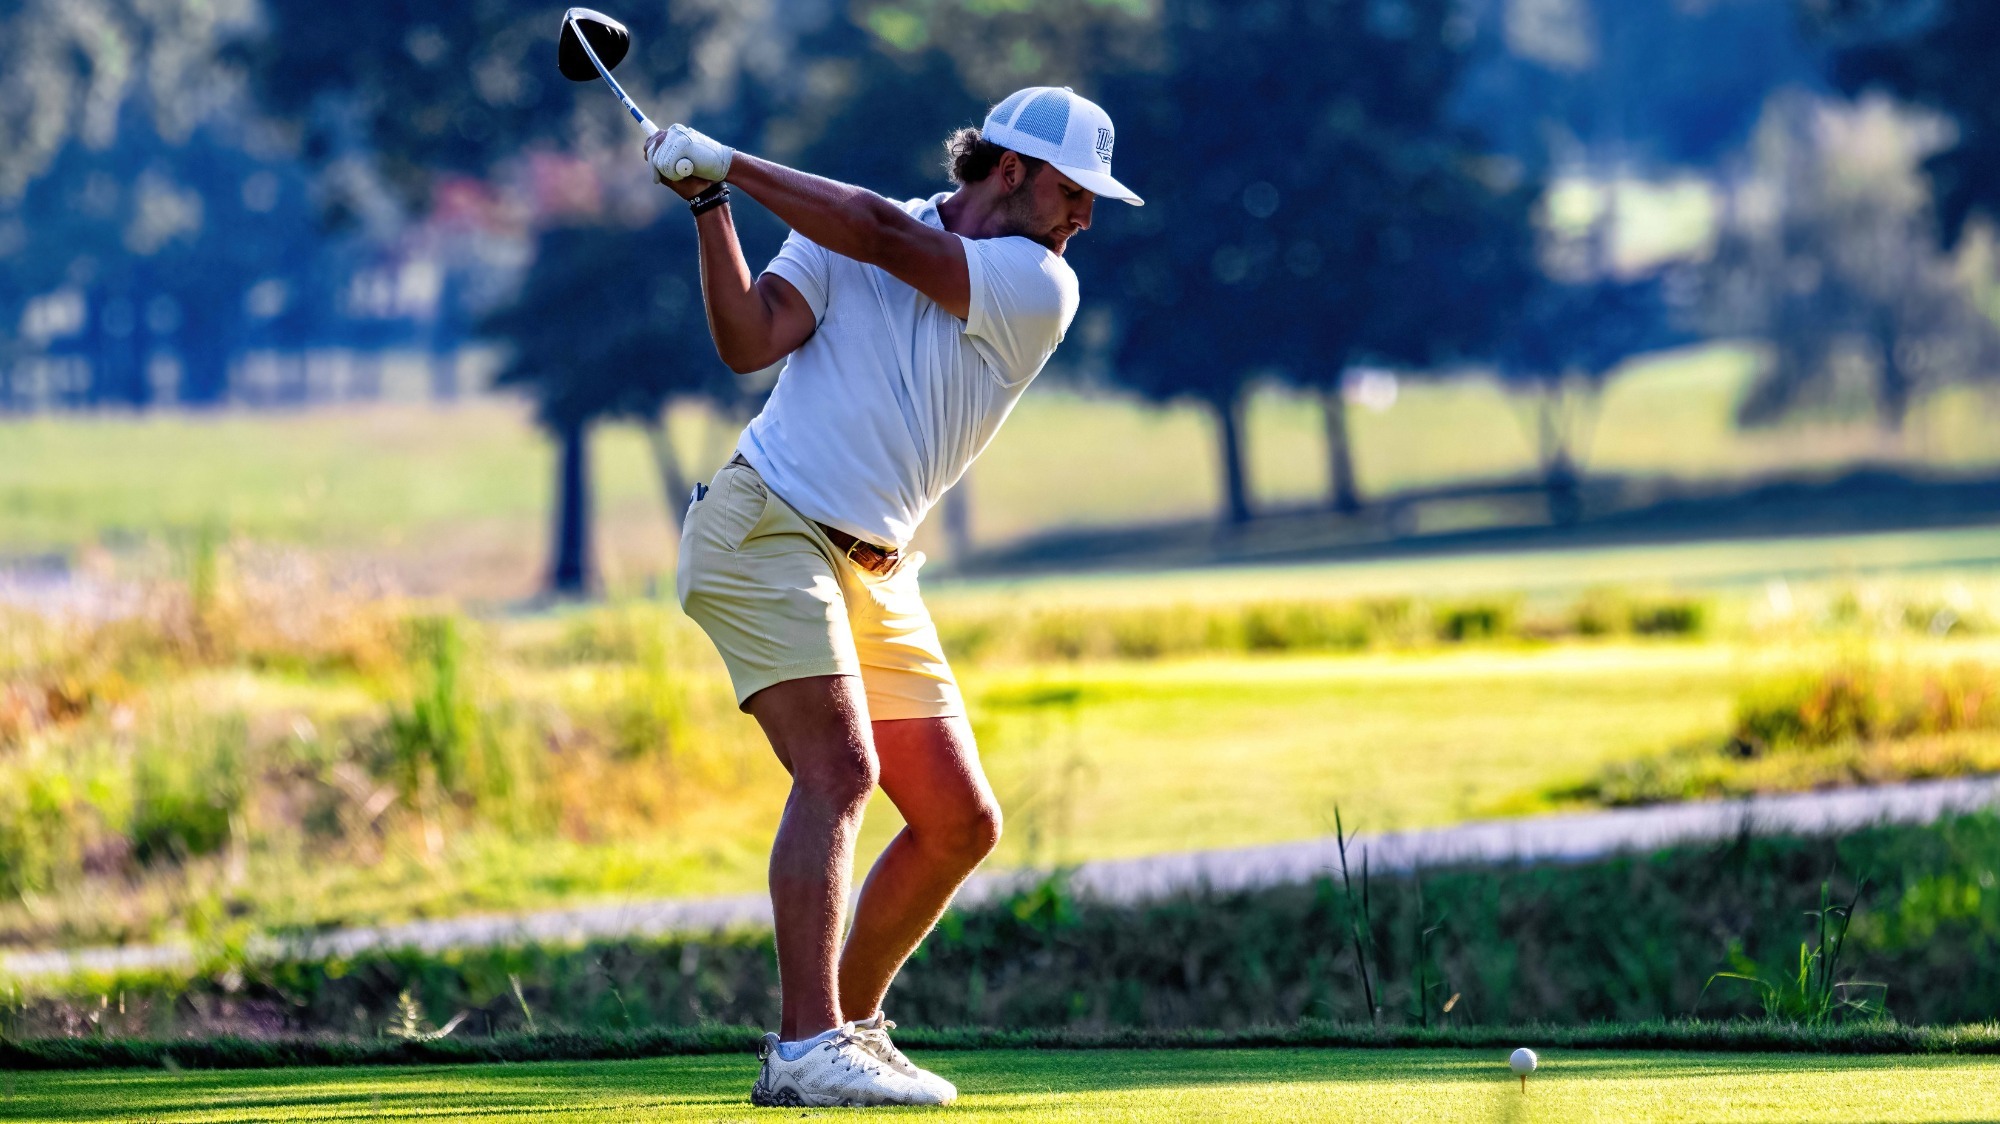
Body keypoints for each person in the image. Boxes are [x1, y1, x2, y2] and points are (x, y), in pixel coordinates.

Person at [643, 87, 1139, 1108]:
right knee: (840, 767)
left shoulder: (1037, 284)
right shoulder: (844, 233)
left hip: (875, 566)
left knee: (959, 821)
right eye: (1069, 190)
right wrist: (709, 205)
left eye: (1090, 199)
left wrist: (724, 159)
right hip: (764, 526)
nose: (1082, 216)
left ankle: (846, 1031)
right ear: (1008, 168)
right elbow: (748, 338)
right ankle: (804, 1042)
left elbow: (872, 230)